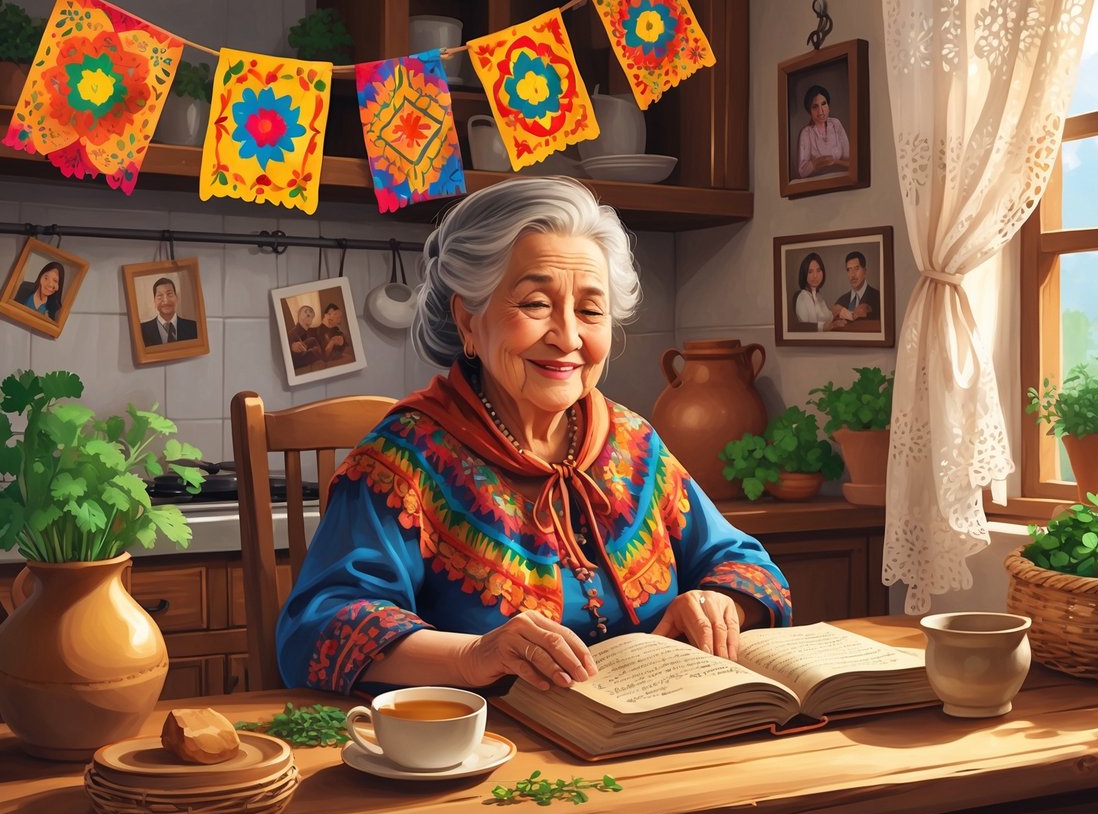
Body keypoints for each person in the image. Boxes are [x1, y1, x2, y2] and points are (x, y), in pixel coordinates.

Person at [277, 176, 792, 697]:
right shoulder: (403, 460)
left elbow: (747, 565)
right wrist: (474, 655)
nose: (568, 337)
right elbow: (318, 629)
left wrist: (719, 603)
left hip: (651, 744)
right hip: (491, 757)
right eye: (535, 304)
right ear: (469, 322)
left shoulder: (633, 443)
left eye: (591, 310)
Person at [797, 84, 850, 179]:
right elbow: (802, 171)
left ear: (828, 106)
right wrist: (817, 163)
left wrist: (834, 161)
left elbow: (851, 162)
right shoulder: (806, 133)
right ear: (809, 111)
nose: (821, 111)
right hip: (817, 184)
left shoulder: (836, 124)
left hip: (841, 180)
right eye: (815, 107)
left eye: (823, 104)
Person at [140, 276, 198, 345]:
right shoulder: (141, 330)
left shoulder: (193, 327)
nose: (166, 301)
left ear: (176, 298)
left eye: (169, 294)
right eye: (160, 296)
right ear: (154, 301)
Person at [829, 251, 880, 330]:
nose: (852, 275)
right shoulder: (841, 301)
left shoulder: (878, 298)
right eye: (849, 270)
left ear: (865, 271)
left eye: (857, 268)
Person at [792, 252, 830, 330]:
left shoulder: (819, 296)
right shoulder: (802, 297)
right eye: (810, 272)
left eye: (818, 270)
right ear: (804, 274)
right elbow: (806, 327)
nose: (815, 276)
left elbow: (828, 318)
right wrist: (825, 326)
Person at [288, 304, 323, 369]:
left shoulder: (311, 334)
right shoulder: (292, 333)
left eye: (311, 315)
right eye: (306, 311)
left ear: (311, 321)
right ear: (299, 315)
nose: (308, 314)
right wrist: (291, 346)